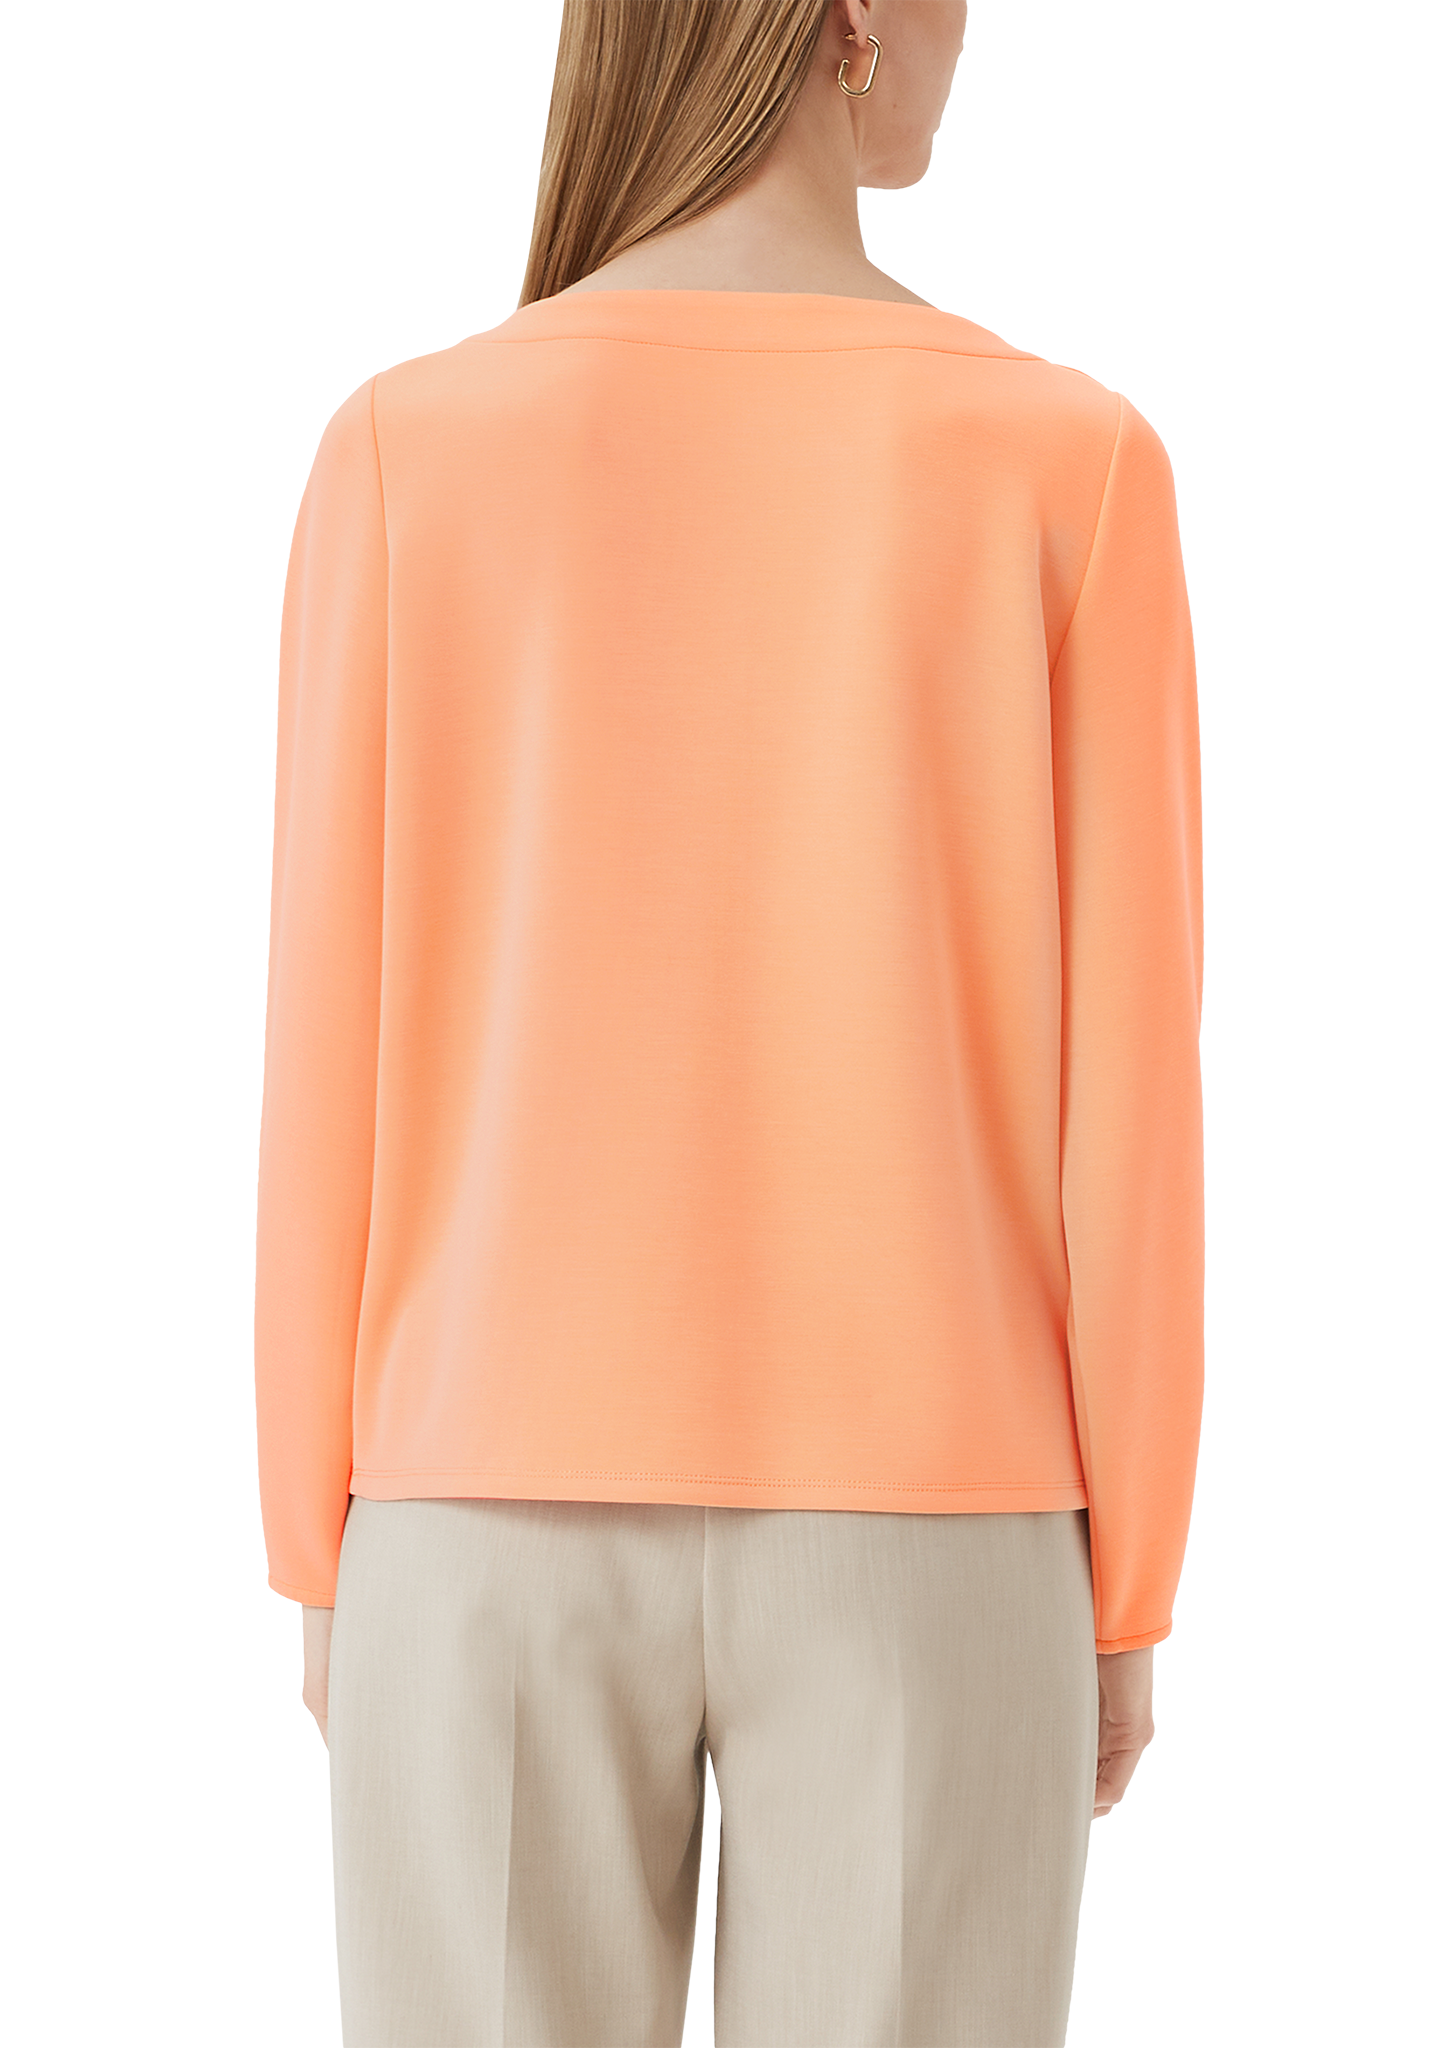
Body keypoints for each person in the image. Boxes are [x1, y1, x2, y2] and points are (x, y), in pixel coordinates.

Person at [254, 0, 1204, 2041]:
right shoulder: (1070, 465)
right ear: (852, 18)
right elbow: (1127, 1099)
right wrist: (1127, 1576)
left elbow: (325, 1042)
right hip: (938, 1514)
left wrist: (315, 1542)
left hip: (472, 1505)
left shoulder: (407, 452)